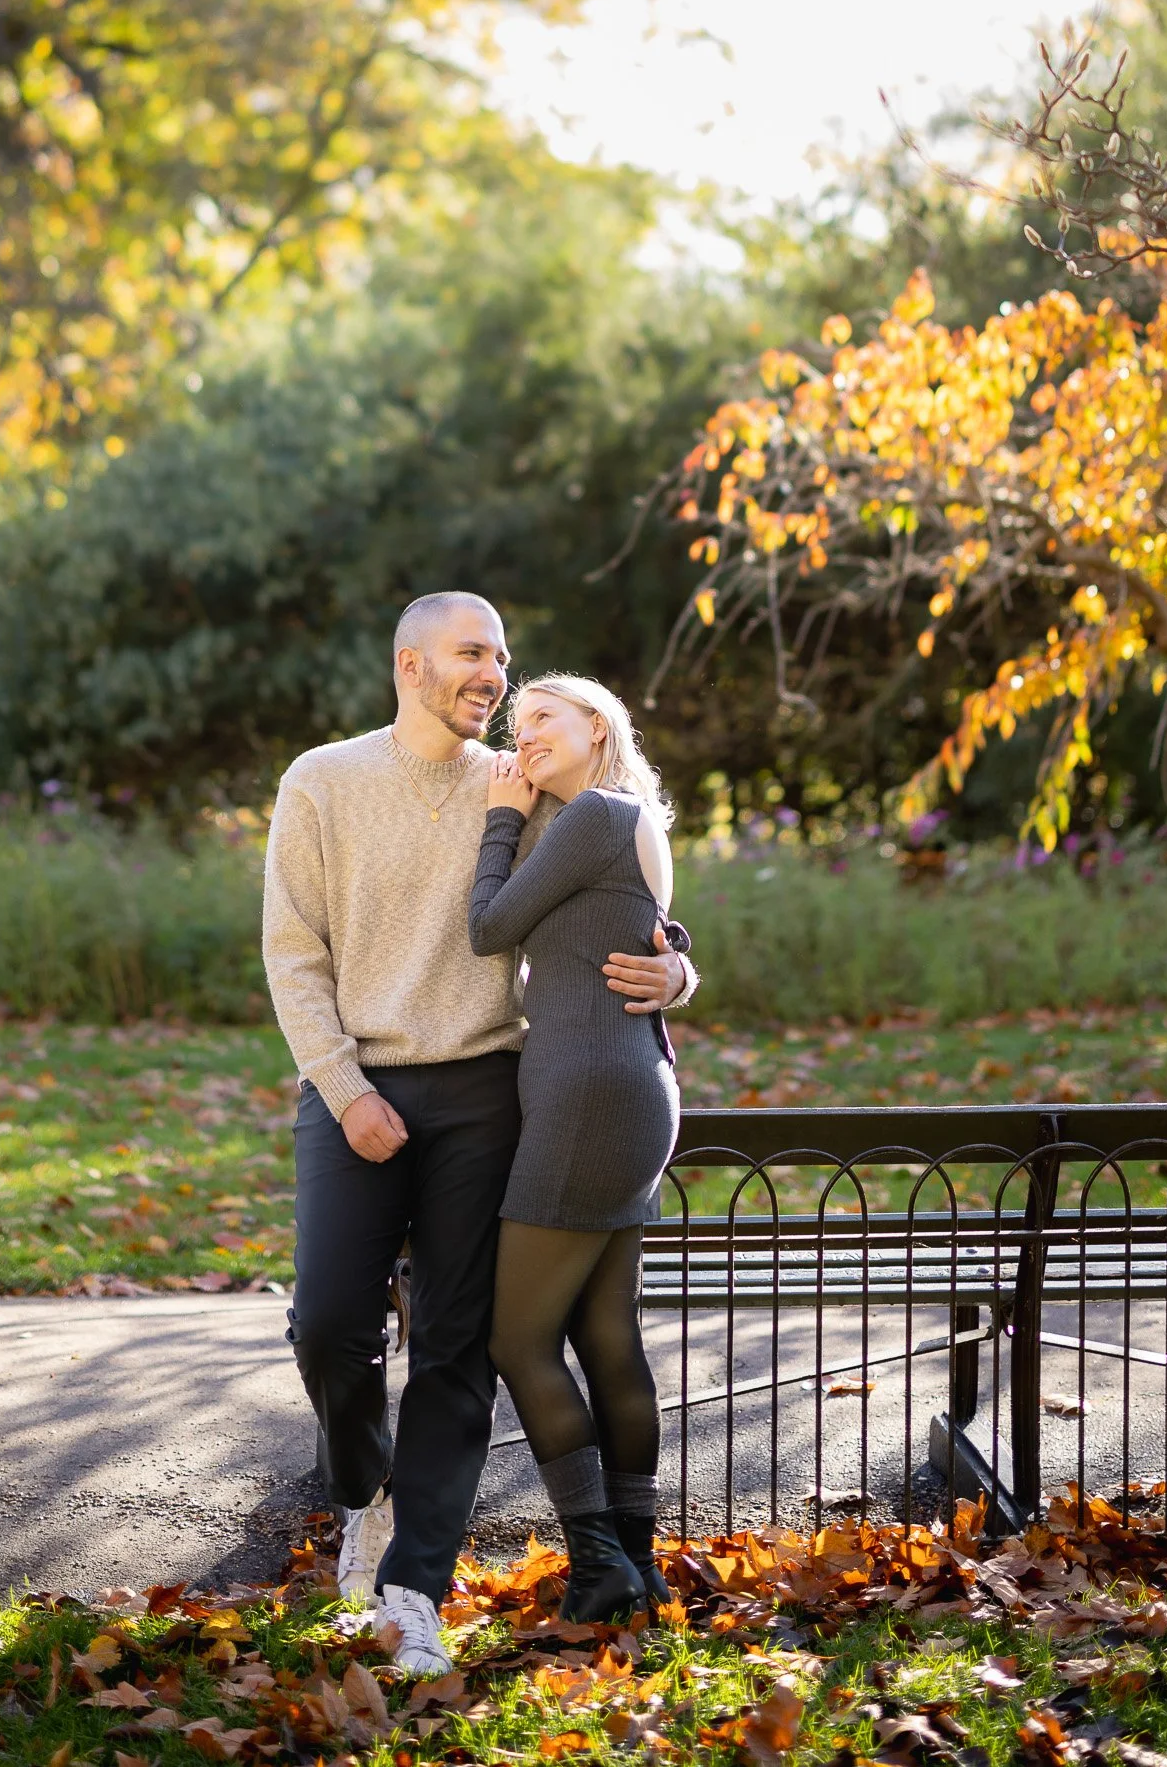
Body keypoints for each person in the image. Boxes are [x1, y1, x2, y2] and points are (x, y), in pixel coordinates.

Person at [261, 593, 698, 1676]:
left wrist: (680, 968)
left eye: (502, 658)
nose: (495, 676)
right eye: (473, 653)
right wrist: (345, 1084)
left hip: (493, 1090)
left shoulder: (525, 787)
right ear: (410, 663)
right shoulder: (323, 778)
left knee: (458, 1345)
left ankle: (414, 1589)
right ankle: (362, 1495)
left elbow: (625, 892)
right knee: (328, 1326)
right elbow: (292, 952)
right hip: (356, 1083)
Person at [467, 673, 682, 1622]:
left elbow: (489, 927)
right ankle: (636, 1564)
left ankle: (600, 1565)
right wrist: (682, 972)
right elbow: (653, 942)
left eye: (543, 717)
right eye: (517, 728)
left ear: (599, 726)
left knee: (517, 1335)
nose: (526, 738)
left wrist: (502, 818)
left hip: (589, 1093)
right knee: (604, 1334)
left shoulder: (592, 811)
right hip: (629, 1087)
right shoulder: (624, 818)